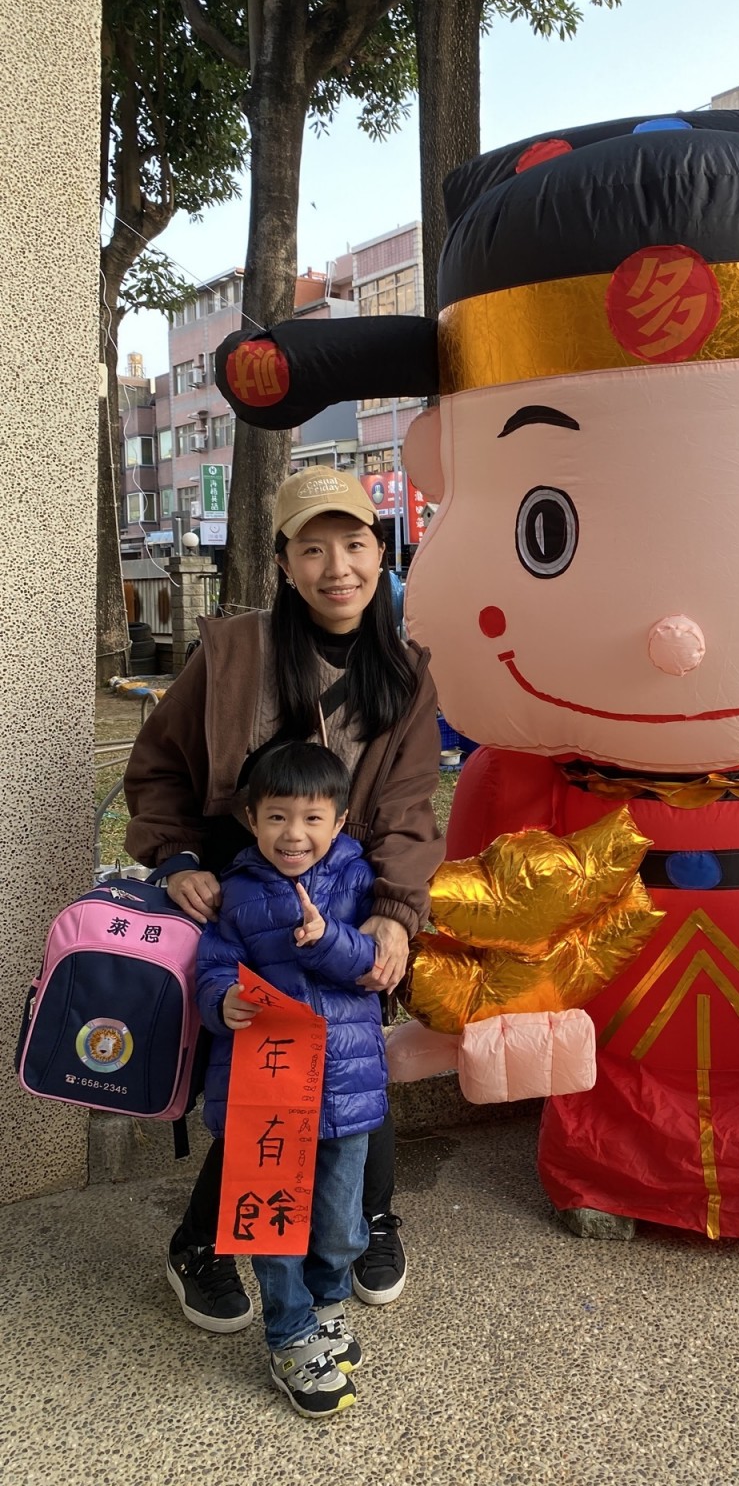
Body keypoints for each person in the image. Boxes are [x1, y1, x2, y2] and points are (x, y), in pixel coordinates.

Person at [124, 465, 443, 1330]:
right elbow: (158, 766)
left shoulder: (406, 672)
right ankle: (201, 1242)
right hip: (248, 902)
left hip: (348, 899)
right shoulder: (235, 654)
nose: (337, 568)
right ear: (283, 563)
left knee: (353, 1052)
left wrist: (394, 914)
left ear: (381, 550)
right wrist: (178, 859)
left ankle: (369, 1219)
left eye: (354, 544)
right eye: (313, 549)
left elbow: (409, 807)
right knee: (262, 1079)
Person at [195, 741, 384, 1418]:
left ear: (339, 821)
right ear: (251, 819)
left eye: (311, 818)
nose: (293, 834)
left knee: (339, 1225)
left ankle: (327, 1303)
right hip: (266, 1092)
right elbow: (212, 966)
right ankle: (291, 1335)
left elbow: (372, 965)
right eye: (277, 817)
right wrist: (221, 1001)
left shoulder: (359, 880)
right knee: (273, 1224)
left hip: (344, 1085)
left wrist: (326, 938)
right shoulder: (238, 892)